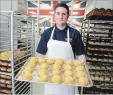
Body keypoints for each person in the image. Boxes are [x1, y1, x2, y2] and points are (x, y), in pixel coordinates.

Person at [36, 3, 86, 95]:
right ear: (54, 15)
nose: (61, 16)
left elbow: (80, 55)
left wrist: (81, 73)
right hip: (51, 75)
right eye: (58, 13)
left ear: (68, 16)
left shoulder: (74, 33)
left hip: (69, 76)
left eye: (64, 14)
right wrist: (41, 71)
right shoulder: (47, 33)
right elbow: (40, 54)